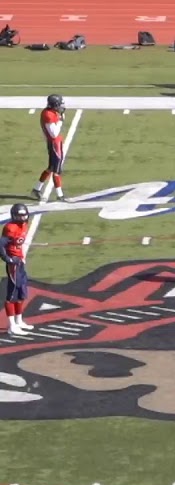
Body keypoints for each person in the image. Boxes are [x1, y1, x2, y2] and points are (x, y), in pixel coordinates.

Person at [1, 204, 35, 336]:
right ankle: (12, 325)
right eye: (20, 215)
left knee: (21, 293)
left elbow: (17, 244)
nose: (23, 218)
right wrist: (8, 259)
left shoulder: (24, 225)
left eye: (24, 215)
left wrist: (21, 257)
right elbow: (1, 245)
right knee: (12, 295)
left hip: (19, 261)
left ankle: (19, 321)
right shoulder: (10, 228)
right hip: (13, 264)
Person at [33, 94, 66, 203]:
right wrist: (60, 121)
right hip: (54, 144)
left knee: (51, 168)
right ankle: (60, 195)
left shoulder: (49, 112)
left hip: (54, 143)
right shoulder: (48, 114)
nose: (61, 106)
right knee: (56, 170)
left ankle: (36, 189)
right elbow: (54, 133)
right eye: (59, 104)